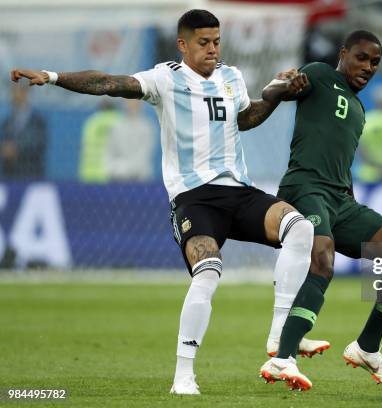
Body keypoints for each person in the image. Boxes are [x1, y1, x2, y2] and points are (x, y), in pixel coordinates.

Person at [11, 9, 325, 396]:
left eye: (216, 41)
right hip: (194, 199)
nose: (212, 50)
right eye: (203, 43)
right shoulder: (166, 78)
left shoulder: (232, 77)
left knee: (301, 228)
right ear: (183, 44)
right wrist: (54, 77)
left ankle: (278, 337)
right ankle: (184, 376)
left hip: (238, 191)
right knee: (208, 272)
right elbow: (109, 82)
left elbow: (244, 119)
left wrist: (276, 95)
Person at [259, 30, 382, 391]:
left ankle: (367, 347)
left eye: (375, 62)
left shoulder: (360, 109)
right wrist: (284, 84)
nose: (368, 67)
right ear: (344, 53)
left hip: (340, 199)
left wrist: (347, 198)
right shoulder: (317, 74)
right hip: (304, 187)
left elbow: (340, 160)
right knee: (323, 258)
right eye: (362, 58)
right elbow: (280, 91)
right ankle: (282, 358)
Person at [0, 83, 47, 179]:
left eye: (16, 91)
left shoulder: (37, 121)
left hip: (31, 175)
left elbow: (38, 143)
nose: (13, 96)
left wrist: (16, 149)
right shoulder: (7, 123)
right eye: (12, 92)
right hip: (11, 176)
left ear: (25, 93)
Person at [106, 99, 156, 181]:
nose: (132, 104)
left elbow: (144, 155)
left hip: (141, 179)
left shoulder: (147, 127)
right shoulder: (116, 126)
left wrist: (125, 169)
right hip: (117, 179)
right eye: (129, 101)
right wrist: (114, 169)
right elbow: (109, 152)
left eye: (135, 101)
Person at [79, 99, 121, 183]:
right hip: (112, 173)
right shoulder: (119, 120)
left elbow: (84, 146)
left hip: (89, 172)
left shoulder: (92, 121)